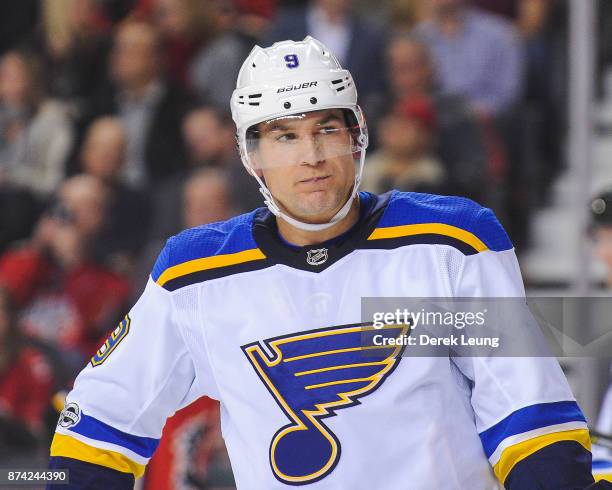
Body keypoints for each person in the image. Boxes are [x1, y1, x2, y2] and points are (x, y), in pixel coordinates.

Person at [48, 37, 604, 489]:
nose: (311, 156)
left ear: (358, 134)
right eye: (285, 136)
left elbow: (529, 420)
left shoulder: (449, 242)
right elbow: (99, 426)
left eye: (326, 130)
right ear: (252, 156)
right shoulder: (195, 274)